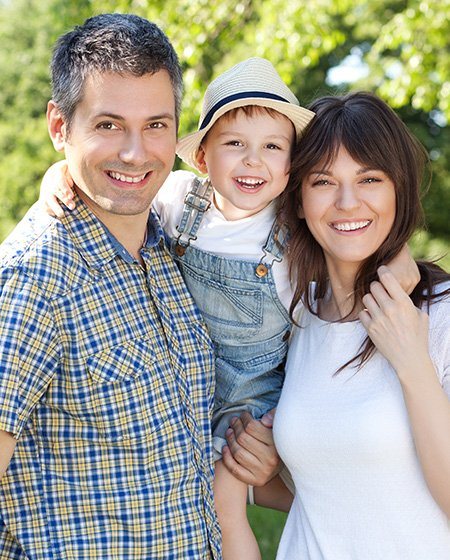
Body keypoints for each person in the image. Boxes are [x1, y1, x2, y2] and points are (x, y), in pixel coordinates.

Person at [40, 59, 421, 559]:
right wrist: (57, 174)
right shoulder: (177, 199)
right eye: (235, 144)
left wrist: (400, 260)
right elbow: (111, 191)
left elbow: (361, 242)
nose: (253, 161)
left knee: (224, 501)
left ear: (290, 166)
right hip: (178, 395)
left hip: (251, 408)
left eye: (272, 147)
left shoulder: (293, 235)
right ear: (201, 157)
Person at [0, 14, 274, 559]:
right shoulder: (35, 276)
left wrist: (251, 459)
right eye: (107, 125)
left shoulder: (172, 244)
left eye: (155, 125)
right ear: (59, 126)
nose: (135, 152)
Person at [273, 92, 450, 559]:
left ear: (399, 189)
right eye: (324, 181)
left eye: (369, 178)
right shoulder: (295, 316)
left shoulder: (443, 317)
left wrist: (412, 361)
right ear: (297, 198)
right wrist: (253, 475)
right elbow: (329, 485)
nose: (347, 202)